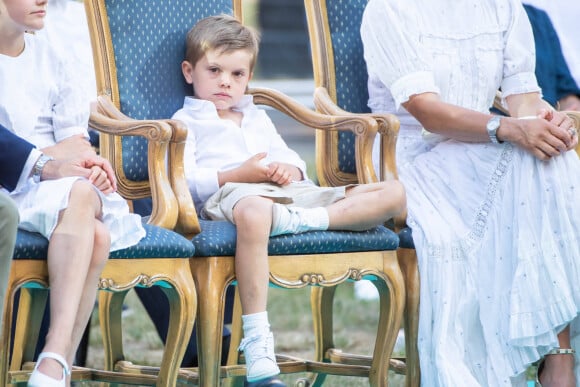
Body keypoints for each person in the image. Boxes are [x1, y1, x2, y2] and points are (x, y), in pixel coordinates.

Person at [172, 14, 406, 387]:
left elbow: (295, 163)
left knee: (393, 193)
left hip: (289, 198)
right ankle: (258, 339)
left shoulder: (256, 117)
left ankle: (304, 222)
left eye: (237, 74)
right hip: (234, 196)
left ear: (248, 77)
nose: (224, 82)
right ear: (190, 71)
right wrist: (238, 175)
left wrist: (288, 171)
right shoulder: (186, 122)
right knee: (254, 210)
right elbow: (184, 182)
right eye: (213, 70)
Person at [360, 1, 580, 386]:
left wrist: (549, 124)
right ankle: (558, 363)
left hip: (483, 148)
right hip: (412, 158)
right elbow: (428, 113)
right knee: (531, 160)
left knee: (551, 156)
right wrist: (512, 130)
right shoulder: (389, 9)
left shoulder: (504, 8)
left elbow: (524, 103)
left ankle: (558, 356)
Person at [0, 1, 146, 386]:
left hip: (62, 186)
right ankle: (57, 360)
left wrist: (90, 164)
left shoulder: (52, 52)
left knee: (84, 196)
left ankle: (52, 358)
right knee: (95, 232)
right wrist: (53, 161)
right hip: (13, 188)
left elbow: (74, 137)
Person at [522, 3, 580, 111]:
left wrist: (574, 110)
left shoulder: (540, 18)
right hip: (505, 121)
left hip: (551, 118)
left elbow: (564, 89)